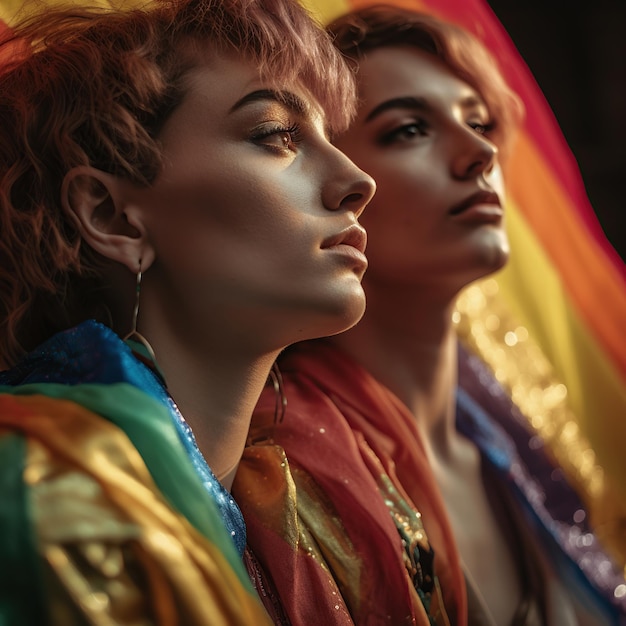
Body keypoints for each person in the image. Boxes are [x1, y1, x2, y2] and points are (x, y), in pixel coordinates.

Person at [233, 6, 626, 625]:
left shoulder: (521, 429)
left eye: (480, 122)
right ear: (330, 181)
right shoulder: (277, 471)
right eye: (409, 130)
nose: (478, 153)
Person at [0, 0, 375, 623]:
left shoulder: (322, 514)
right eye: (276, 134)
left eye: (326, 137)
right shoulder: (39, 495)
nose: (357, 179)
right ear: (110, 216)